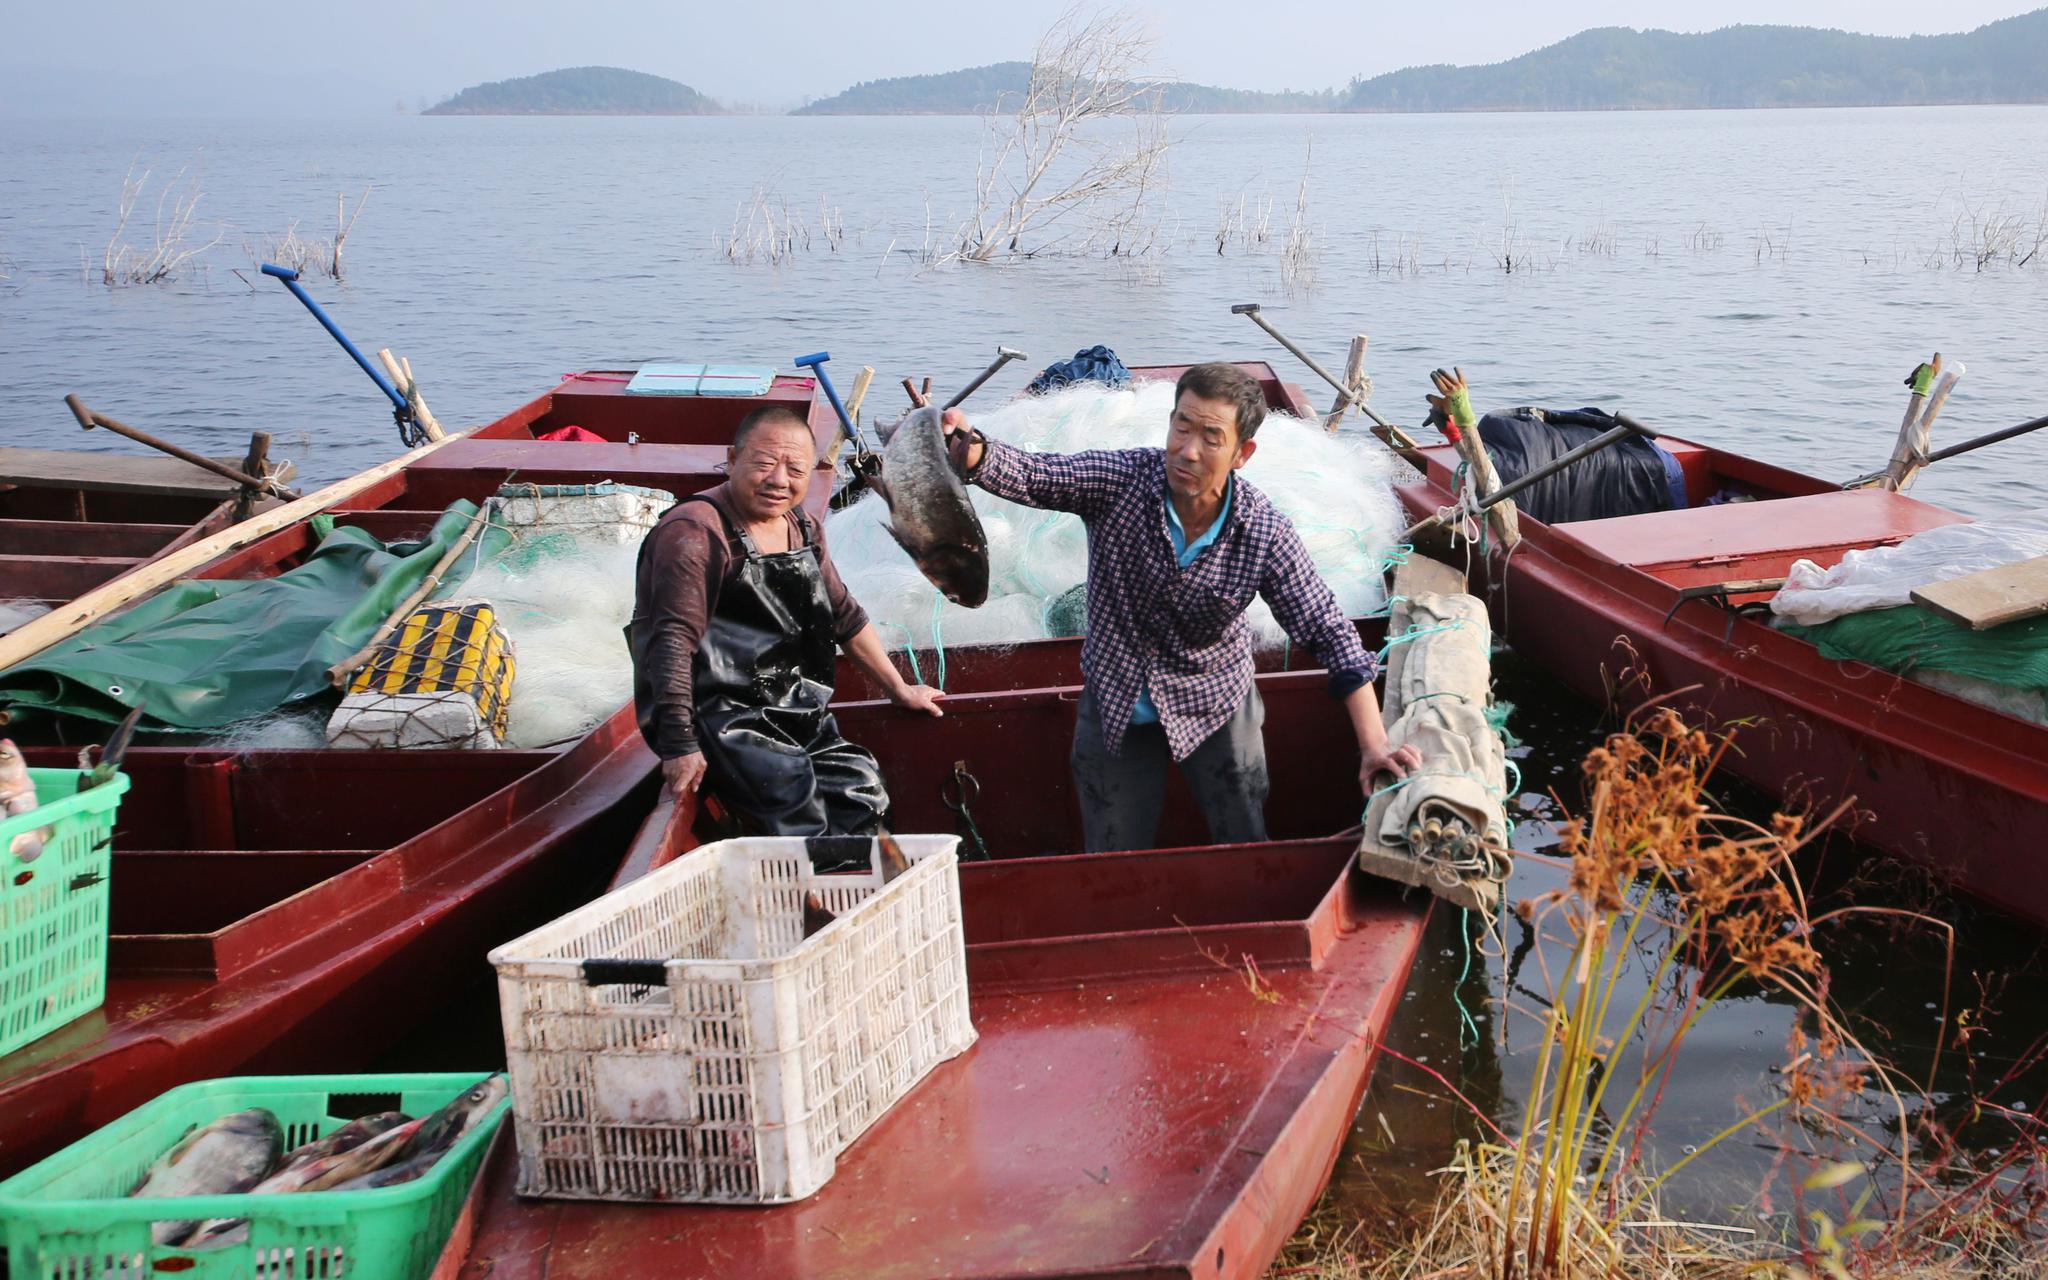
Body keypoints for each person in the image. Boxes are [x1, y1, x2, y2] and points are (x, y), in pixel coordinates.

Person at [942, 361, 1420, 853]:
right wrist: (972, 450)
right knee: (1111, 858)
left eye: (1211, 437)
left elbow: (1327, 630)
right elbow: (1041, 475)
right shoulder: (1122, 481)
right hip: (1116, 699)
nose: (1187, 451)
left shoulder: (1261, 532)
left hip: (1215, 702)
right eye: (1181, 427)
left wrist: (1373, 743)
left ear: (1242, 453)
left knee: (1244, 843)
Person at [630, 404, 944, 836]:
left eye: (795, 469)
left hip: (792, 704)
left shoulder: (801, 524)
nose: (779, 480)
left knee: (864, 788)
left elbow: (845, 617)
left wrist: (900, 689)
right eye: (763, 464)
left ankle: (856, 892)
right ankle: (805, 898)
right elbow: (670, 645)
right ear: (733, 459)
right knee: (795, 808)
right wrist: (679, 746)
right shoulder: (696, 532)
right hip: (718, 714)